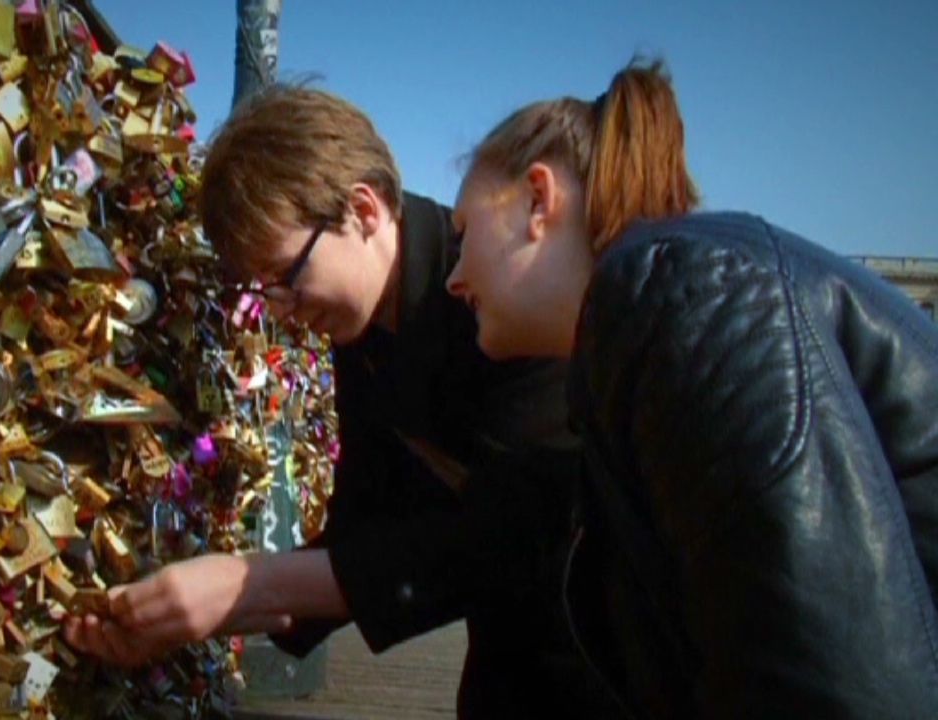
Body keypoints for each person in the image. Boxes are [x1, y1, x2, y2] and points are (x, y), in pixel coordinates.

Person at [64, 86, 605, 717]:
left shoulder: (502, 288)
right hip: (508, 677)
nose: (279, 313)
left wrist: (245, 584)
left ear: (363, 210)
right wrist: (187, 614)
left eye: (287, 277)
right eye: (262, 291)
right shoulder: (367, 328)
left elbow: (512, 536)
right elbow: (363, 523)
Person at [445, 59, 938, 717]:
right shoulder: (656, 308)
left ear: (538, 200)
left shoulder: (681, 296)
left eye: (463, 234)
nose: (452, 277)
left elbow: (831, 690)